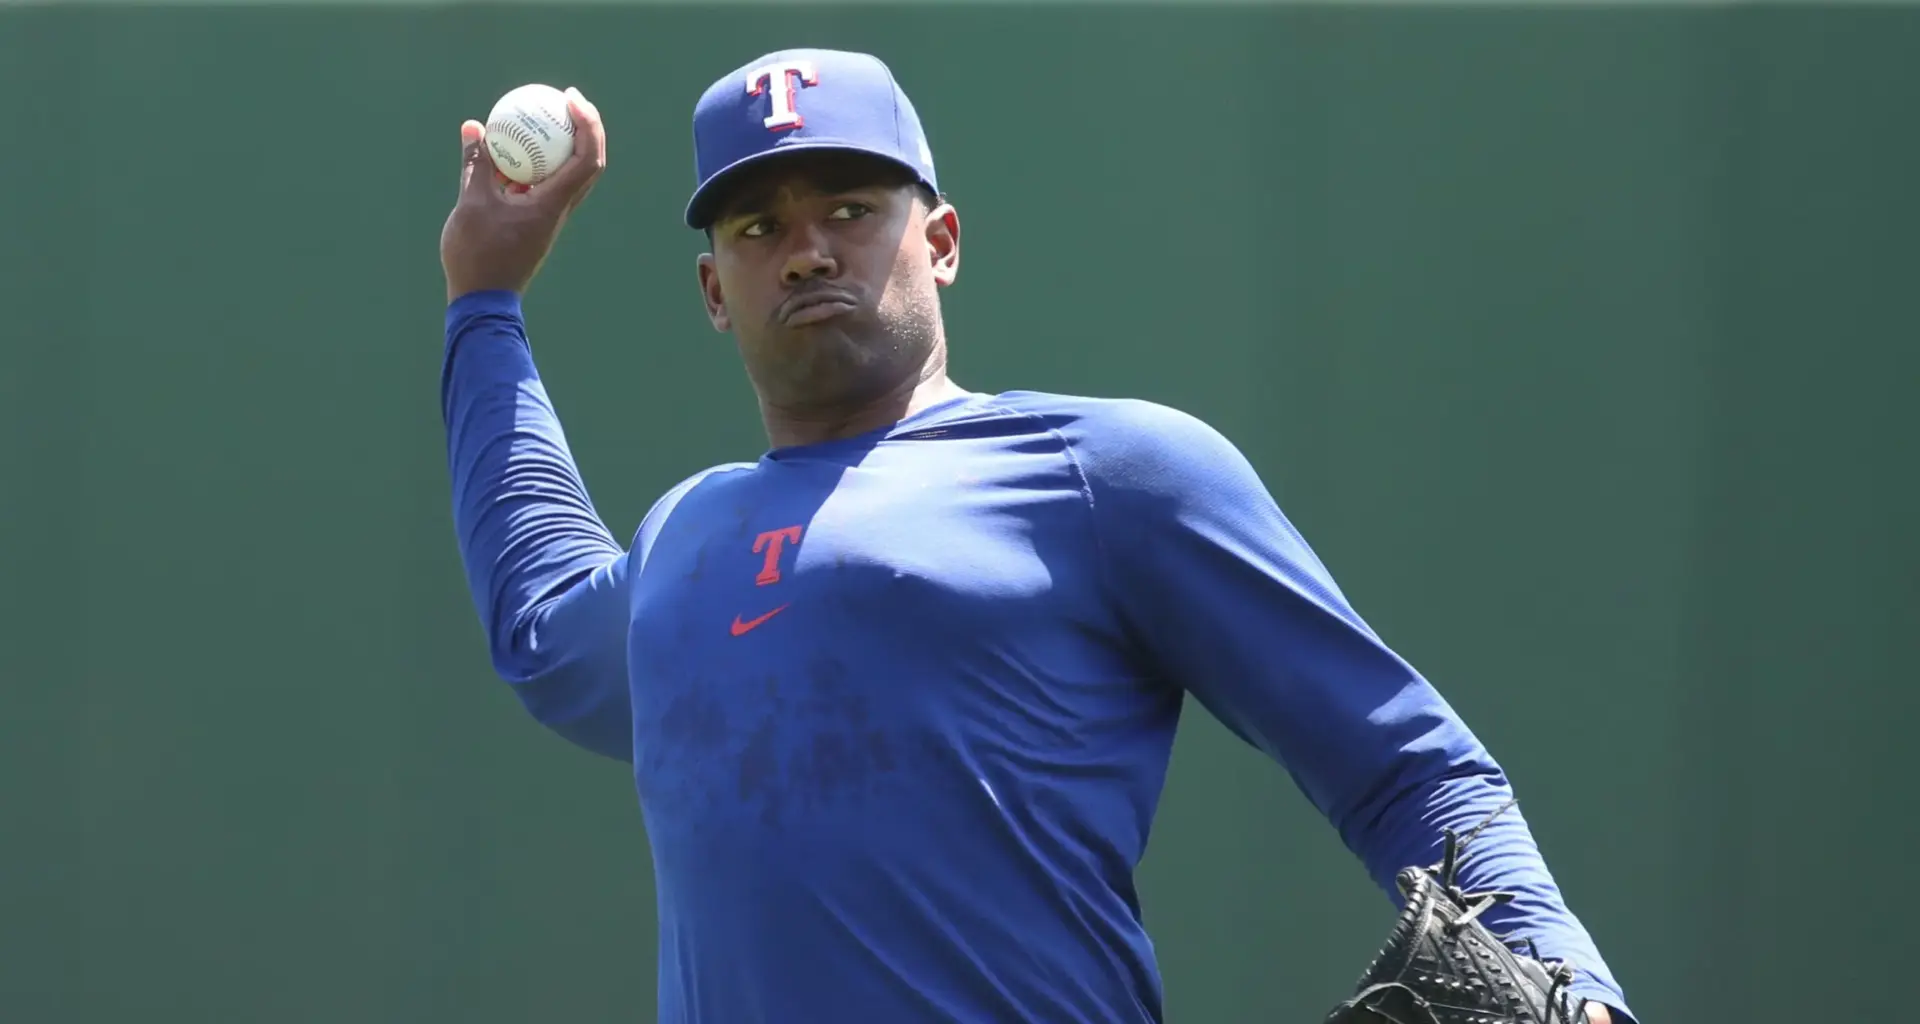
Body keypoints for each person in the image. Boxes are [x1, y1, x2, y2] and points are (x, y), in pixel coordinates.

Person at [437, 47, 1635, 1024]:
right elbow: (546, 631)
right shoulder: (684, 536)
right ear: (713, 293)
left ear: (942, 243)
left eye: (852, 209)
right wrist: (484, 300)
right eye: (757, 228)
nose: (805, 248)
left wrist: (1571, 984)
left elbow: (1403, 762)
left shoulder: (1109, 474)